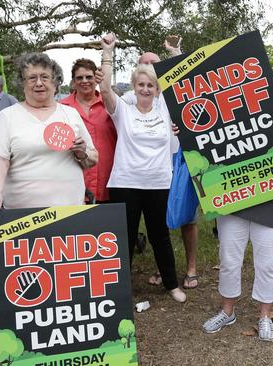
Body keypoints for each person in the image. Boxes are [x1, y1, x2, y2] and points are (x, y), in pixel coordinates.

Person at [202, 74, 273, 342]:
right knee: (229, 259)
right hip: (235, 202)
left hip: (272, 205)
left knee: (268, 263)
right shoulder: (241, 117)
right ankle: (228, 311)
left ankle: (264, 315)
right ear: (272, 93)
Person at [99, 34, 186, 303]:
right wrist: (107, 52)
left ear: (157, 89)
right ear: (134, 86)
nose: (146, 89)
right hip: (125, 182)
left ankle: (171, 285)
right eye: (141, 85)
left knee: (160, 236)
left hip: (158, 182)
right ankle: (120, 290)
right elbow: (104, 89)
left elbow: (180, 83)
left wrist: (175, 53)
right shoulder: (123, 110)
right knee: (123, 238)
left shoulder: (165, 110)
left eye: (151, 85)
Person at [112, 36, 200, 289]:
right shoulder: (129, 99)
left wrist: (176, 53)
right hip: (135, 173)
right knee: (138, 229)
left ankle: (186, 271)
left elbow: (184, 83)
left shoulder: (170, 98)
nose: (147, 84)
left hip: (172, 167)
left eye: (155, 66)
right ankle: (144, 278)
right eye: (145, 65)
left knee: (183, 220)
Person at [0, 53, 98, 218]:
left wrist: (82, 153)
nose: (38, 83)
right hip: (21, 215)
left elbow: (93, 158)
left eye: (45, 77)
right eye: (31, 78)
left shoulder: (71, 114)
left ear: (56, 82)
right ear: (22, 84)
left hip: (70, 210)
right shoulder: (7, 116)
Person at [60, 59, 116, 203]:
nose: (84, 81)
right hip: (74, 178)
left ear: (96, 79)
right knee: (78, 225)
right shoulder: (61, 108)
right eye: (79, 77)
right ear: (73, 81)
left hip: (107, 177)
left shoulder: (110, 104)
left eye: (89, 77)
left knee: (109, 225)